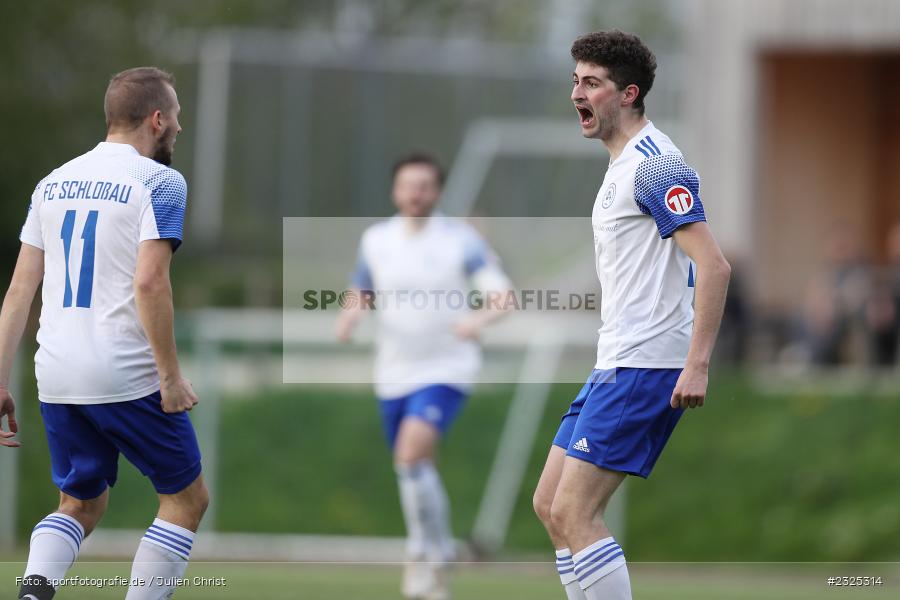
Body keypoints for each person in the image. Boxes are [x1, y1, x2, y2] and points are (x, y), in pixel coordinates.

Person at [531, 31, 731, 600]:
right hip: (616, 361)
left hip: (648, 364)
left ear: (628, 94)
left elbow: (715, 266)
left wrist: (698, 364)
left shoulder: (654, 164)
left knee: (575, 512)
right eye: (575, 80)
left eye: (591, 82)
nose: (577, 92)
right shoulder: (621, 165)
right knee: (550, 505)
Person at [0, 67, 208, 600]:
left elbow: (20, 292)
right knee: (186, 500)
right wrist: (170, 377)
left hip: (57, 372)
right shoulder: (160, 181)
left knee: (79, 502)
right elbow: (149, 281)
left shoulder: (53, 181)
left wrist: (1, 380)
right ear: (157, 120)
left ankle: (32, 593)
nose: (180, 128)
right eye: (177, 117)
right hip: (124, 369)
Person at [335, 154, 512, 600]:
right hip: (393, 370)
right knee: (415, 469)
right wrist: (350, 315)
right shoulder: (376, 239)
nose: (416, 193)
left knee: (411, 456)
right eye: (407, 185)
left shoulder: (461, 240)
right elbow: (362, 288)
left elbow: (502, 296)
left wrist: (477, 321)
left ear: (438, 192)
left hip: (446, 368)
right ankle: (440, 556)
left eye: (425, 186)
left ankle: (422, 556)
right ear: (395, 191)